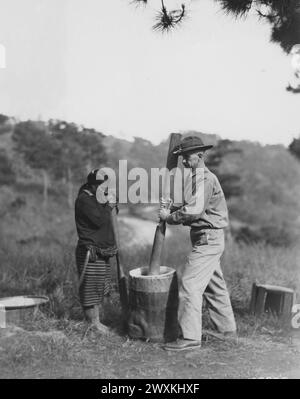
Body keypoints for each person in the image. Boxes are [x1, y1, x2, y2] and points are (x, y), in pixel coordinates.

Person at [159, 136, 237, 351]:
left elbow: (193, 211)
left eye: (187, 156)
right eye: (182, 157)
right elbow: (190, 203)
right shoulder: (196, 178)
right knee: (215, 285)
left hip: (208, 238)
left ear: (200, 155)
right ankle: (227, 330)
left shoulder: (204, 178)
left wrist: (169, 217)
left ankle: (190, 338)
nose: (184, 161)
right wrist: (173, 206)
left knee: (190, 284)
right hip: (206, 237)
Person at [75, 169, 117, 334]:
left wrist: (109, 204)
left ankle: (97, 321)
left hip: (101, 251)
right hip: (90, 251)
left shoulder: (95, 198)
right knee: (90, 288)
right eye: (101, 185)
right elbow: (98, 220)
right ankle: (93, 324)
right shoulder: (85, 200)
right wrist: (109, 205)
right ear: (92, 185)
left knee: (98, 287)